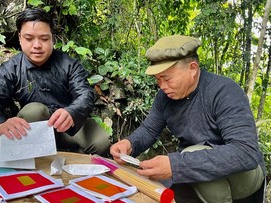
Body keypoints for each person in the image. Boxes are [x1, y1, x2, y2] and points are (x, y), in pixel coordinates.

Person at [110, 35, 266, 202]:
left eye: (167, 78)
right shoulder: (164, 97)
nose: (162, 86)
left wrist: (175, 165)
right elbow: (149, 129)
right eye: (158, 80)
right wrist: (129, 144)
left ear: (192, 68)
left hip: (243, 178)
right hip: (195, 172)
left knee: (192, 153)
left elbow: (245, 152)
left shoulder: (224, 92)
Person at [0, 8, 110, 156]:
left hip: (66, 127)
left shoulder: (69, 65)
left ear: (52, 38)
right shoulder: (11, 69)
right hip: (32, 130)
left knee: (100, 141)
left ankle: (71, 165)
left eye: (44, 39)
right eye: (29, 38)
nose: (37, 45)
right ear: (20, 38)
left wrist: (71, 112)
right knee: (33, 111)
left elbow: (85, 93)